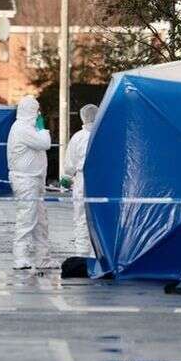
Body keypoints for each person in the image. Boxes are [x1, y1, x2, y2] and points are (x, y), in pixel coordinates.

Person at [8, 95, 52, 270]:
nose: (39, 114)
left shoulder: (27, 128)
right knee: (26, 219)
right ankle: (21, 258)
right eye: (37, 111)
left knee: (40, 221)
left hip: (34, 179)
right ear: (30, 111)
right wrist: (43, 128)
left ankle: (43, 258)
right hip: (26, 181)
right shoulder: (22, 129)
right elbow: (45, 143)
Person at [62, 104, 98, 257]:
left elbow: (70, 165)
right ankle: (98, 254)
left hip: (82, 180)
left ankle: (82, 255)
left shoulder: (78, 137)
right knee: (99, 218)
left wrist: (67, 177)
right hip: (101, 180)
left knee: (82, 218)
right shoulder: (104, 135)